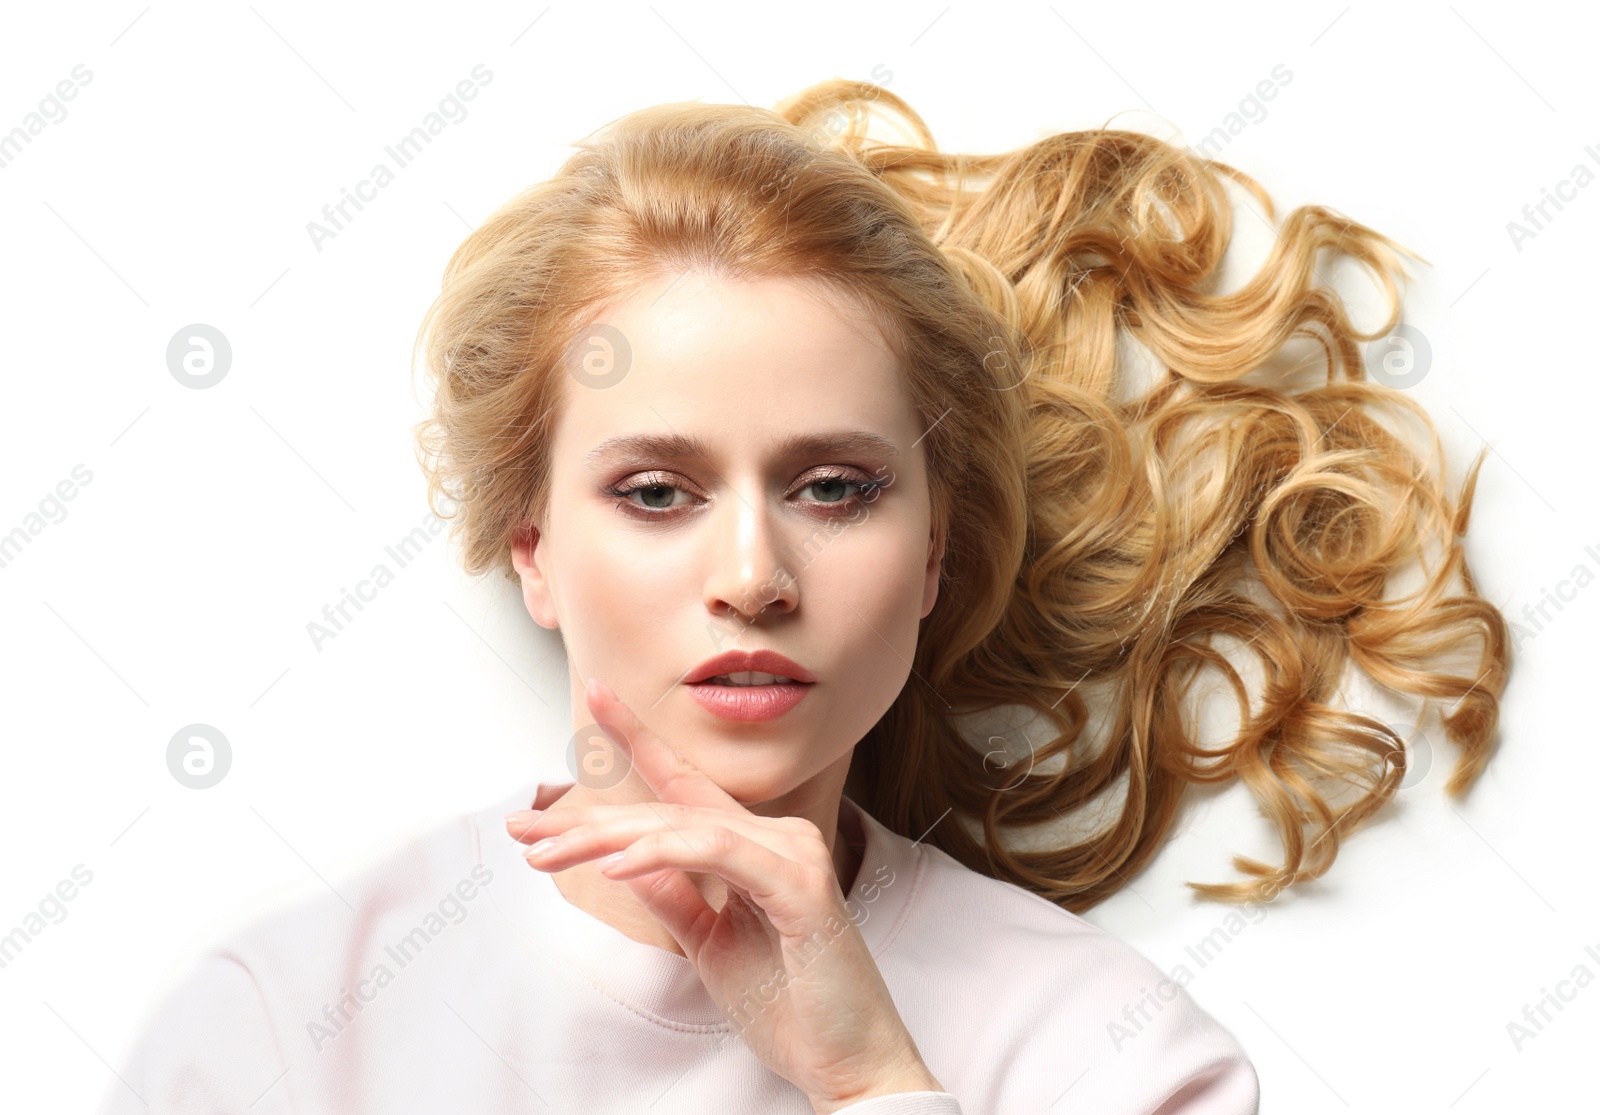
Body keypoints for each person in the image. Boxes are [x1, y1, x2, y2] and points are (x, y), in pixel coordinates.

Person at [98, 78, 1508, 1114]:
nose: (755, 577)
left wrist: (870, 1080)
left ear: (938, 552)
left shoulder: (1113, 1058)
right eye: (656, 493)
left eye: (834, 488)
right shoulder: (282, 1029)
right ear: (532, 548)